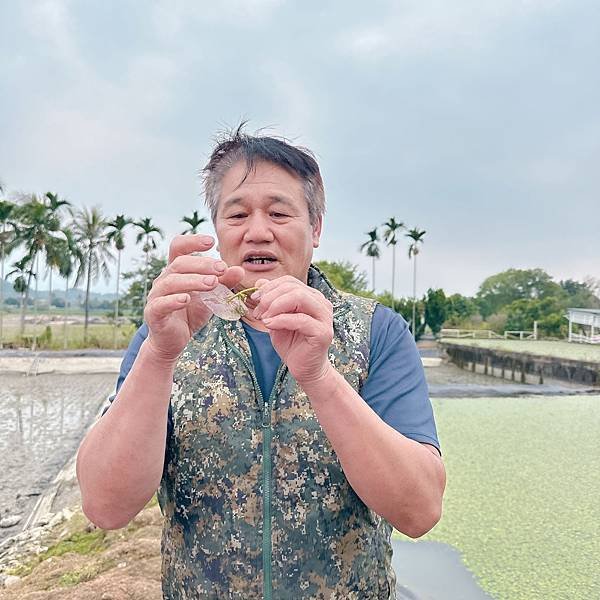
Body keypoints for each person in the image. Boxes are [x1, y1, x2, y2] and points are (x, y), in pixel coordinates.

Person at [76, 126, 446, 599]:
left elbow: (419, 511)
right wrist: (160, 353)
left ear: (314, 228)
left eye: (278, 212)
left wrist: (318, 376)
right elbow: (106, 508)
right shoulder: (169, 330)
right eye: (237, 214)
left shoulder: (377, 331)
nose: (257, 230)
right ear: (218, 231)